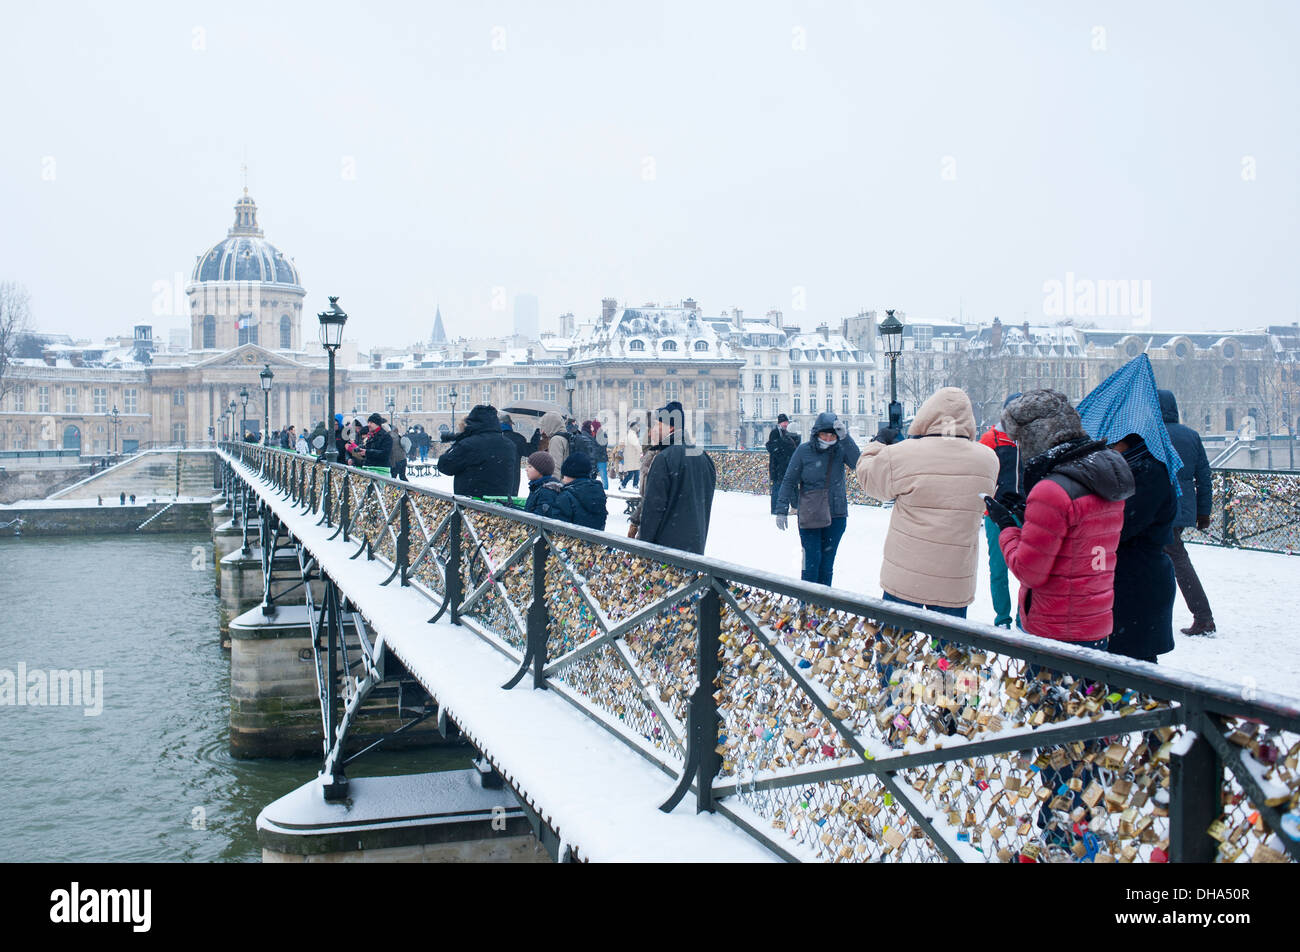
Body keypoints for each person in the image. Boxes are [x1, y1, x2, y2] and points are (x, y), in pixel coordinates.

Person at [985, 390, 1133, 644]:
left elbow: (1028, 570)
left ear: (1034, 439)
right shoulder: (1102, 478)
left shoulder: (1052, 490)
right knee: (1089, 686)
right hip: (1095, 621)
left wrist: (1007, 525)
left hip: (1056, 628)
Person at [855, 387, 998, 617]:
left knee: (895, 647)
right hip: (954, 578)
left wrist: (877, 443)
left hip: (906, 575)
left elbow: (869, 481)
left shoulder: (904, 453)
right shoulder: (988, 460)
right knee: (949, 650)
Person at [1077, 355, 1181, 664]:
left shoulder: (1150, 471)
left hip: (1138, 588)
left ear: (1129, 433)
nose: (1104, 440)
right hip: (1126, 584)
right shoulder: (1135, 464)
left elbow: (1118, 525)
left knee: (1135, 677)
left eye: (1112, 433)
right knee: (1120, 675)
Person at [774, 411, 859, 587]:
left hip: (836, 515)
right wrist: (781, 509)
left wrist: (846, 438)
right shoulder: (804, 450)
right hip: (810, 515)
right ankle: (806, 605)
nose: (828, 439)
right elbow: (789, 479)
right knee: (811, 564)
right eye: (824, 434)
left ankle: (822, 610)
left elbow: (858, 462)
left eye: (832, 435)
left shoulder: (840, 449)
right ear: (816, 433)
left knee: (827, 566)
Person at [1158, 389, 1216, 636]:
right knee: (1168, 557)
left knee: (1175, 558)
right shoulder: (1191, 436)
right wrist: (1203, 513)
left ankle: (1203, 617)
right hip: (1183, 507)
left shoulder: (1154, 435)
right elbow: (1204, 477)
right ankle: (1198, 617)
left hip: (1160, 506)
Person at [636, 402, 716, 554]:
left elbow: (653, 509)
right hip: (695, 549)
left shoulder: (664, 458)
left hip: (666, 552)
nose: (651, 431)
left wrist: (642, 547)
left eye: (655, 425)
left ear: (670, 427)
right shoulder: (704, 457)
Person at [978, 393, 1022, 627]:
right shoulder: (991, 438)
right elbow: (978, 472)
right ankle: (1002, 618)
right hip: (996, 513)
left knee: (1030, 570)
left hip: (1026, 512)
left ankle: (1023, 617)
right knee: (998, 569)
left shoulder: (1030, 439)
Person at [436, 404, 517, 498]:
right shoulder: (509, 444)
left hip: (472, 504)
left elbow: (444, 466)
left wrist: (459, 442)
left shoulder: (469, 445)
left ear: (472, 422)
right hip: (501, 502)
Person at [551, 452, 608, 530]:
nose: (563, 479)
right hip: (594, 540)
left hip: (570, 540)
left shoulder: (566, 496)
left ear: (570, 474)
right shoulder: (597, 491)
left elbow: (557, 527)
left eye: (564, 475)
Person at [626, 421, 663, 539]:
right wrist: (635, 521)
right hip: (648, 503)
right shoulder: (652, 454)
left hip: (653, 511)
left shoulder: (659, 456)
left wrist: (635, 521)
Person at [765, 413, 801, 515]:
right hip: (777, 466)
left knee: (787, 487)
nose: (785, 424)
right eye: (784, 422)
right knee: (777, 487)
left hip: (785, 465)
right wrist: (782, 454)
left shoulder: (789, 433)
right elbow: (773, 448)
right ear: (780, 423)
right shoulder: (775, 433)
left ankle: (792, 507)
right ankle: (776, 509)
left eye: (786, 422)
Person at [524, 451, 563, 518]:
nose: (526, 469)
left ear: (541, 470)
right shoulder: (537, 486)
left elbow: (537, 519)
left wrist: (513, 510)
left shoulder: (547, 492)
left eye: (530, 467)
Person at [499, 413, 530, 496]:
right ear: (509, 424)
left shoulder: (492, 438)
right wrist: (537, 435)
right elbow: (530, 451)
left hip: (495, 480)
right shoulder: (517, 438)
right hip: (512, 478)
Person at [586, 420, 610, 488]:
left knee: (603, 475)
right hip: (594, 458)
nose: (591, 428)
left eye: (592, 426)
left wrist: (593, 449)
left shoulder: (602, 434)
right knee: (593, 475)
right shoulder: (593, 434)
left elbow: (602, 446)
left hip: (601, 459)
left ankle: (606, 489)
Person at [620, 419, 643, 490]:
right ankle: (632, 485)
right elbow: (636, 445)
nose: (638, 428)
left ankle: (625, 485)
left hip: (631, 456)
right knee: (634, 473)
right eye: (637, 426)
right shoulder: (632, 435)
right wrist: (642, 451)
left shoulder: (631, 434)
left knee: (634, 472)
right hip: (632, 457)